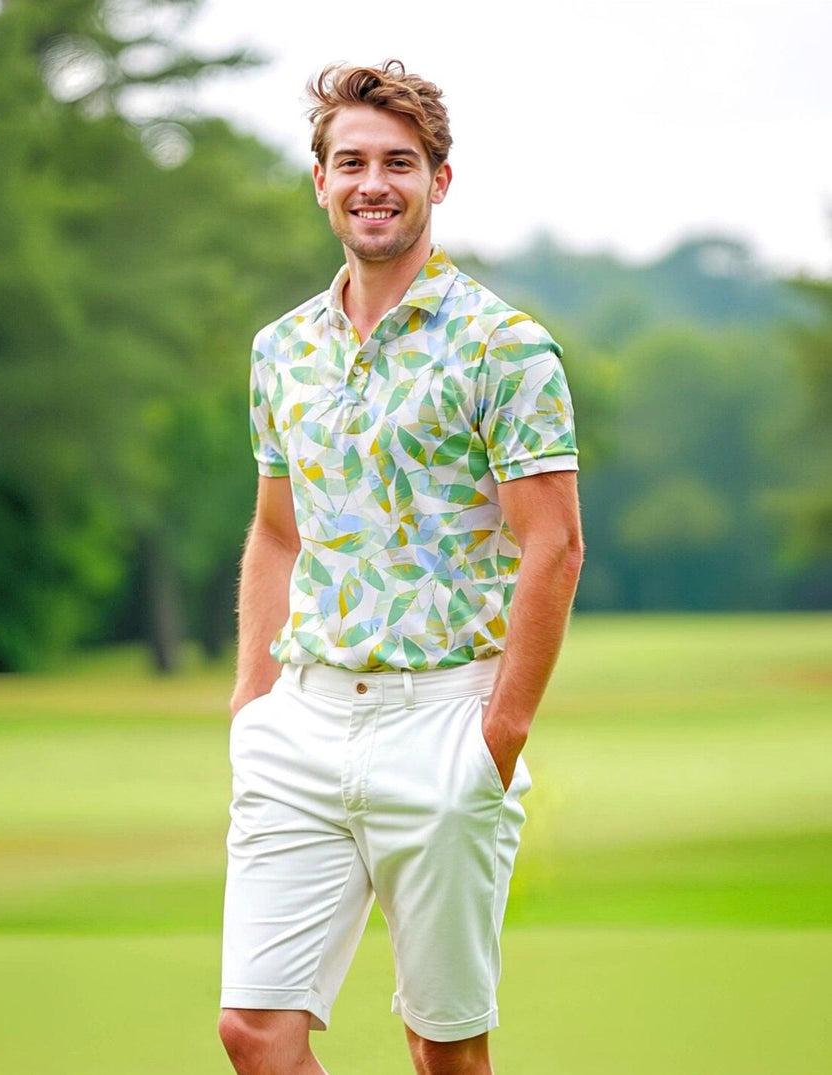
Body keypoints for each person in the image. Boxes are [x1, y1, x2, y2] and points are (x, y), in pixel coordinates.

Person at [218, 60, 584, 1075]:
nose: (371, 182)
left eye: (397, 163)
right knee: (254, 1030)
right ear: (320, 181)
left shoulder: (503, 349)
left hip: (443, 722)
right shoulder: (281, 349)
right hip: (301, 719)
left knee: (442, 1048)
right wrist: (254, 705)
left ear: (438, 180)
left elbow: (550, 544)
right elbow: (278, 532)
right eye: (350, 163)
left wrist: (496, 739)